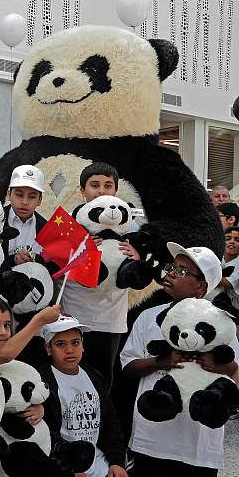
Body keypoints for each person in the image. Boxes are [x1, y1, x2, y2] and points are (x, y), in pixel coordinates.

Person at [121, 243, 238, 477]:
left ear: (201, 287)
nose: (172, 273)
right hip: (150, 440)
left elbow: (235, 372)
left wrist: (218, 366)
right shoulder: (148, 318)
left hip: (197, 443)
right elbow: (128, 367)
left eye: (183, 271)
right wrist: (160, 361)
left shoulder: (221, 323)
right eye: (172, 267)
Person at [38, 315, 137, 477]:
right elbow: (45, 434)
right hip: (61, 466)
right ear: (48, 348)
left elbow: (110, 423)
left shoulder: (94, 377)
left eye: (75, 342)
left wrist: (117, 463)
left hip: (99, 464)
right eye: (60, 344)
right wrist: (71, 471)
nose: (69, 350)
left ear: (83, 345)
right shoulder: (42, 382)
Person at [60, 162, 139, 391]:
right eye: (95, 185)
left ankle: (102, 425)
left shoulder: (127, 222)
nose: (101, 190)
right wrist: (78, 248)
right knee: (71, 377)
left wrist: (138, 253)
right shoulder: (69, 222)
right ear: (82, 190)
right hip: (74, 312)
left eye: (108, 185)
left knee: (103, 382)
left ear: (115, 190)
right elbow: (56, 262)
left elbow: (145, 254)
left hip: (111, 317)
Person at [0, 297, 60, 367]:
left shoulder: (14, 357)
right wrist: (39, 320)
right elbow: (4, 355)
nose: (3, 332)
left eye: (7, 325)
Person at [5, 165, 47, 265]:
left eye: (32, 197)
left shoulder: (46, 228)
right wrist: (13, 260)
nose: (24, 202)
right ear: (9, 194)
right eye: (19, 195)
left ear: (40, 200)